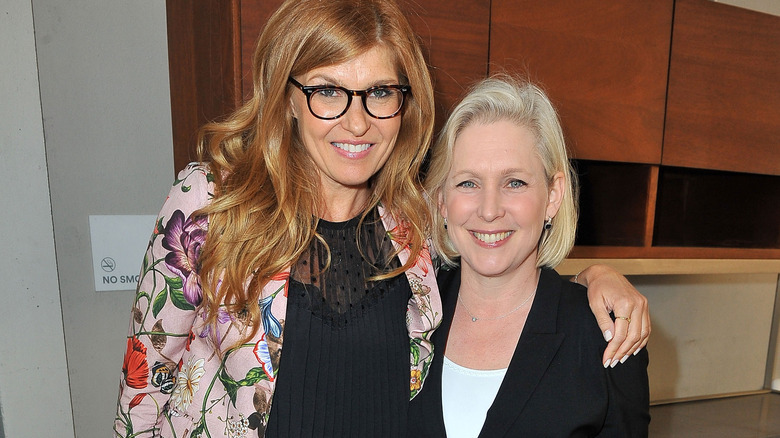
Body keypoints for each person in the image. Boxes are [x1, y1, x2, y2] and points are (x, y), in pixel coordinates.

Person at [114, 1, 648, 437]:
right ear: (287, 99)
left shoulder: (411, 224)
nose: (357, 121)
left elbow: (502, 259)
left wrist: (596, 279)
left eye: (378, 93)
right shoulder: (212, 204)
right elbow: (143, 393)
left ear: (402, 102)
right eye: (327, 91)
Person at [410, 75, 650, 437]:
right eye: (468, 183)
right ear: (442, 199)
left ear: (553, 196)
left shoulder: (605, 335)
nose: (489, 210)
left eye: (515, 183)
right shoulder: (406, 310)